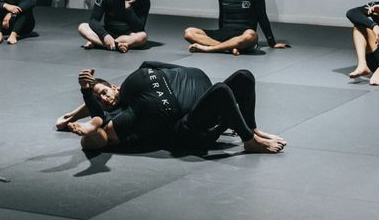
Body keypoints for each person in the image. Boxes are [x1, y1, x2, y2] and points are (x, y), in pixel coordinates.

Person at [55, 62, 286, 154]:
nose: (105, 99)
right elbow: (98, 132)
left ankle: (253, 129)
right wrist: (86, 95)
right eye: (100, 99)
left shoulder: (137, 80)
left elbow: (171, 70)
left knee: (245, 77)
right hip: (190, 131)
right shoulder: (121, 117)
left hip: (201, 105)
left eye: (104, 92)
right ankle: (249, 142)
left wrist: (70, 116)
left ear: (115, 87)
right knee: (221, 91)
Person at [78, 0, 150, 52]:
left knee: (143, 36)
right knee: (82, 27)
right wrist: (105, 36)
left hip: (127, 35)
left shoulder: (144, 0)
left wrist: (128, 7)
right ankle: (119, 45)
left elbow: (139, 27)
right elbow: (93, 20)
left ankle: (101, 43)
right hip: (108, 31)